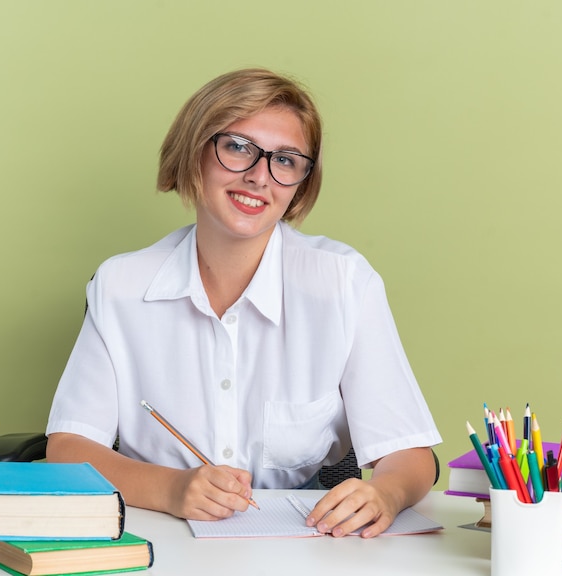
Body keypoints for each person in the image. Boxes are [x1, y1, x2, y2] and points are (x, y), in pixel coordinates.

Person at [46, 68, 442, 538]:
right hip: (160, 535)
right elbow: (69, 447)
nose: (260, 178)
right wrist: (172, 488)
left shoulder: (343, 283)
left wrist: (387, 494)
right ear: (194, 154)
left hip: (309, 546)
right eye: (237, 147)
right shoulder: (122, 284)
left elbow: (410, 454)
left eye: (287, 160)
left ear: (301, 181)